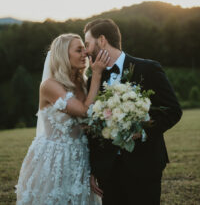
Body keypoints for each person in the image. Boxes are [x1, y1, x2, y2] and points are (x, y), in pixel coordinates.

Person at [84, 19, 182, 205]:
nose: (86, 50)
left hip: (145, 166)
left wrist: (143, 131)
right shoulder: (93, 81)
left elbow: (173, 110)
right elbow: (92, 128)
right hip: (109, 172)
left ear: (102, 40)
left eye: (87, 44)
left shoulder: (149, 69)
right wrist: (93, 169)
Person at [16, 33, 110, 205]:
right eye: (78, 50)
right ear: (63, 55)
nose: (85, 54)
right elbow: (84, 111)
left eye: (84, 49)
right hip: (54, 160)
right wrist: (97, 74)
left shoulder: (85, 83)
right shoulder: (50, 86)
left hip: (82, 158)